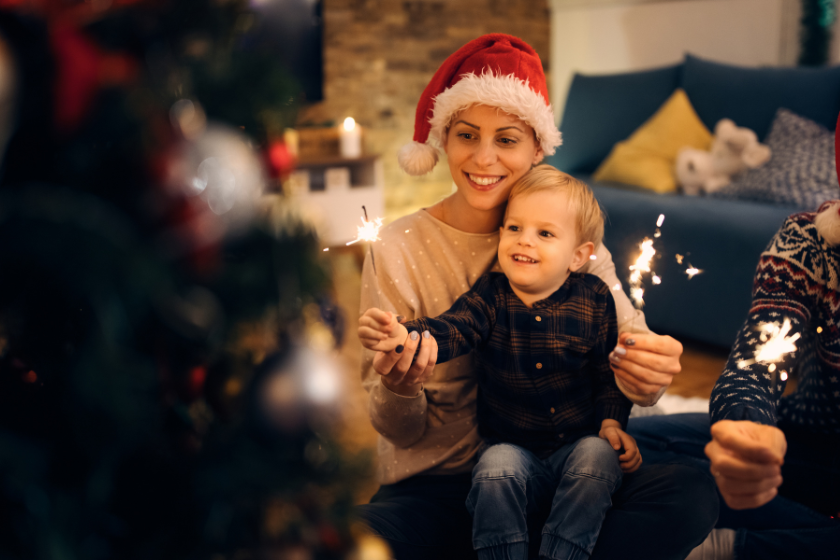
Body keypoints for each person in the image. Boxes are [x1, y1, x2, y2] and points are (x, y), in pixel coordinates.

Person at [356, 33, 718, 560]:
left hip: (562, 471)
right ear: (443, 140)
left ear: (536, 148)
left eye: (506, 139)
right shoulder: (396, 247)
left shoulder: (567, 235)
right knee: (361, 536)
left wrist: (651, 377)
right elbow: (400, 433)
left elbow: (627, 347)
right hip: (439, 487)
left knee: (691, 494)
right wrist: (400, 385)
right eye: (465, 134)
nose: (483, 157)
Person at [360, 166, 641, 559]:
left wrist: (612, 422)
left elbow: (606, 371)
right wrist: (405, 336)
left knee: (600, 456)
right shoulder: (491, 295)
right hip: (511, 448)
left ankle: (563, 552)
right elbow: (453, 329)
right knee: (494, 467)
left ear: (579, 256)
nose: (524, 241)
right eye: (513, 228)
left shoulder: (594, 298)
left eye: (544, 233)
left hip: (576, 447)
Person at [630, 187, 840, 558]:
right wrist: (747, 428)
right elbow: (757, 363)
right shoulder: (809, 239)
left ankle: (737, 546)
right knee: (617, 446)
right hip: (807, 442)